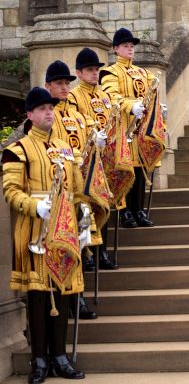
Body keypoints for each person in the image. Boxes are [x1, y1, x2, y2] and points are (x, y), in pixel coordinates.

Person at [2, 87, 86, 383]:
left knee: (62, 293)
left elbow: (74, 189)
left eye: (50, 108)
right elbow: (11, 191)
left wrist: (82, 213)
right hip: (35, 229)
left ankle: (60, 357)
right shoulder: (18, 149)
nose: (48, 112)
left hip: (64, 229)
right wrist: (35, 206)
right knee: (38, 297)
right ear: (29, 115)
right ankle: (39, 359)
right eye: (41, 109)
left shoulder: (66, 148)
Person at [44, 60, 100, 320]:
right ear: (48, 86)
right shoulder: (47, 117)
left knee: (80, 247)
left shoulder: (79, 116)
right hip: (57, 194)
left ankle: (79, 300)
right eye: (59, 83)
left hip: (80, 191)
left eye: (67, 83)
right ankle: (66, 302)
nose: (65, 87)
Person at [67, 48, 119, 271]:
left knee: (104, 205)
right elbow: (71, 127)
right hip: (85, 162)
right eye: (89, 70)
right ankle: (87, 253)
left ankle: (102, 252)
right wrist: (90, 138)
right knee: (87, 209)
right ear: (79, 73)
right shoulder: (72, 97)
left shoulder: (105, 96)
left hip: (105, 159)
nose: (94, 73)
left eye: (97, 69)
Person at [100, 28, 156, 228]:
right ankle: (124, 212)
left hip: (141, 129)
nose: (130, 49)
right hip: (123, 128)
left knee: (140, 170)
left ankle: (138, 210)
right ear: (116, 49)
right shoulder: (110, 72)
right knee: (124, 169)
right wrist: (130, 106)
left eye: (132, 46)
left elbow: (153, 95)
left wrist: (158, 110)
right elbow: (111, 95)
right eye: (126, 46)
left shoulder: (144, 73)